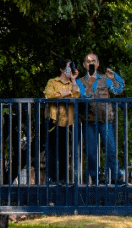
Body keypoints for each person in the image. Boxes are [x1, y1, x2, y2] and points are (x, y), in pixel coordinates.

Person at [77, 52, 125, 185]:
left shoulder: (105, 78)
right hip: (89, 121)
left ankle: (116, 177)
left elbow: (119, 89)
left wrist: (114, 77)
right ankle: (95, 178)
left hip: (106, 120)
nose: (91, 63)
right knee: (91, 152)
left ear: (97, 64)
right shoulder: (80, 81)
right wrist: (90, 87)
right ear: (84, 65)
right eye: (88, 61)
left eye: (93, 61)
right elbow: (82, 97)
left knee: (111, 149)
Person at [44, 58, 79, 184]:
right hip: (53, 120)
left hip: (67, 122)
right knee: (52, 150)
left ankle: (64, 178)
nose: (71, 70)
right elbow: (49, 95)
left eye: (72, 67)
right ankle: (52, 178)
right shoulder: (52, 82)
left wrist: (74, 80)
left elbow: (76, 96)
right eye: (69, 67)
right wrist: (64, 94)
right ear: (62, 69)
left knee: (65, 151)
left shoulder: (72, 84)